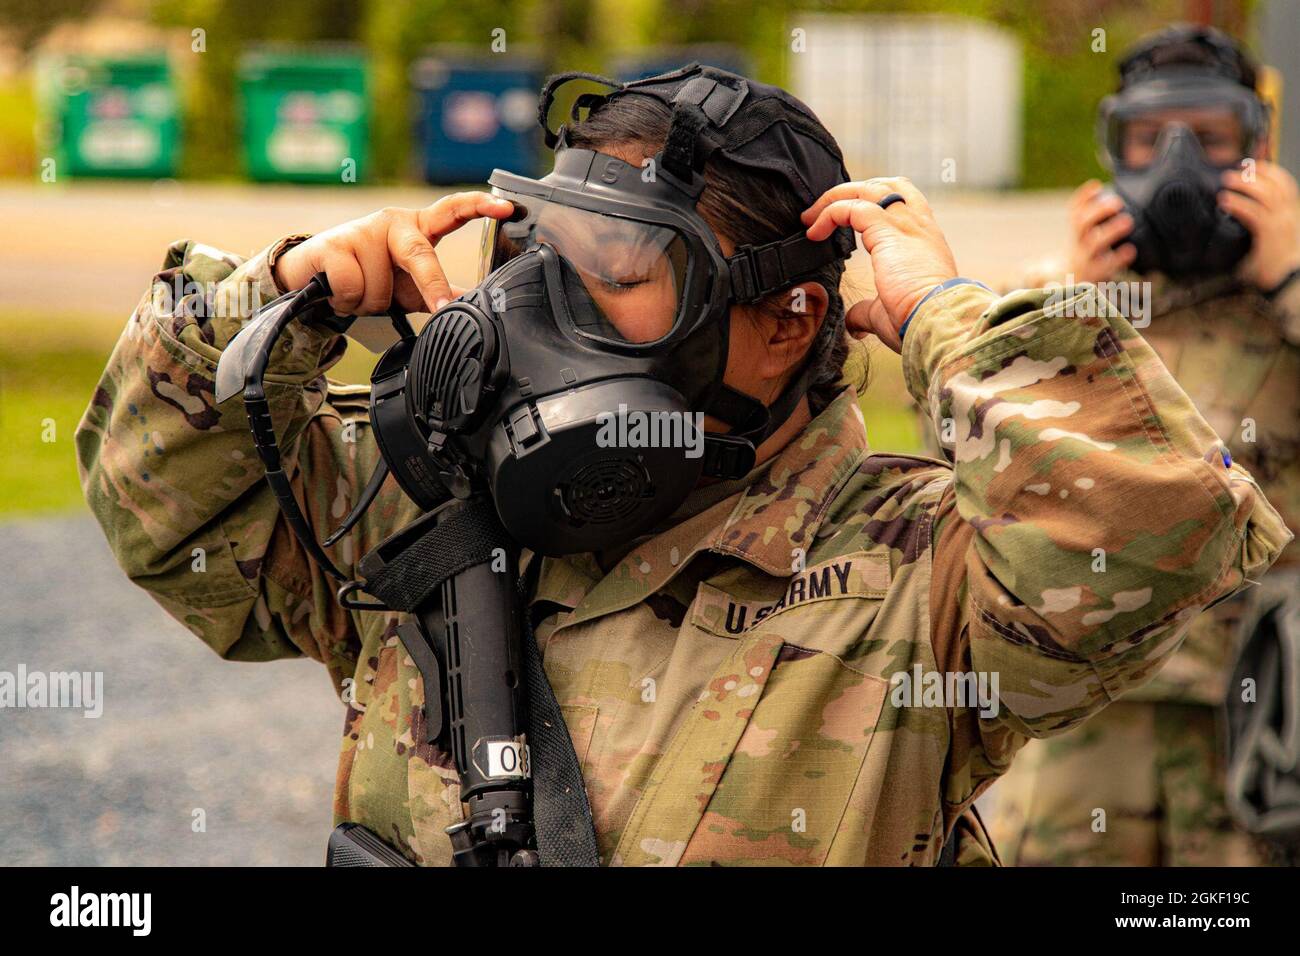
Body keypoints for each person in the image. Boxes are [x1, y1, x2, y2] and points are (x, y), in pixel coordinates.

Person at [75, 65, 1288, 866]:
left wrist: (943, 311)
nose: (539, 302)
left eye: (618, 267)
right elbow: (165, 514)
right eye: (540, 246)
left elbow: (1154, 521)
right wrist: (284, 290)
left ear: (786, 318)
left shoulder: (914, 579)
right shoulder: (436, 500)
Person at [983, 26, 1300, 866]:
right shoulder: (1053, 294)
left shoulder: (1289, 291)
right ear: (1113, 144)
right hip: (1086, 712)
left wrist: (1292, 278)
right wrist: (1069, 305)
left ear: (1259, 149)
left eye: (1212, 139)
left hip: (1263, 719)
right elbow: (960, 440)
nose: (1179, 162)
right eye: (1150, 139)